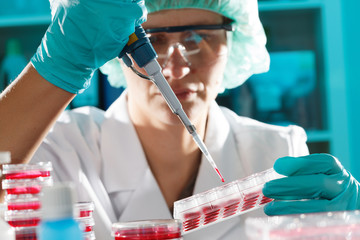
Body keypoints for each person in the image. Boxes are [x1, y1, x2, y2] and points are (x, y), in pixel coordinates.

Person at [0, 0, 359, 239]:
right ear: (114, 50)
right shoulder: (59, 149)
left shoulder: (277, 150)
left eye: (198, 37)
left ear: (234, 42)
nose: (175, 67)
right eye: (150, 40)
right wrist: (57, 64)